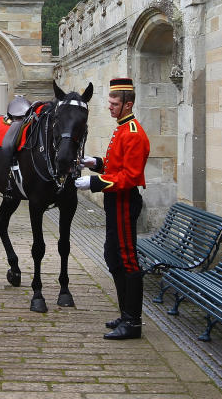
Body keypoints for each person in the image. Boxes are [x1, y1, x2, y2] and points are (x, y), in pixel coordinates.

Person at [74, 77, 150, 340]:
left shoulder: (133, 133)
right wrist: (94, 162)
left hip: (124, 199)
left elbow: (129, 176)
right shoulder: (121, 128)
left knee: (127, 259)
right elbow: (116, 167)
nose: (109, 106)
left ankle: (133, 322)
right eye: (109, 102)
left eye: (114, 103)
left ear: (128, 105)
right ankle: (125, 313)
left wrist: (93, 182)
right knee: (112, 256)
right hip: (114, 200)